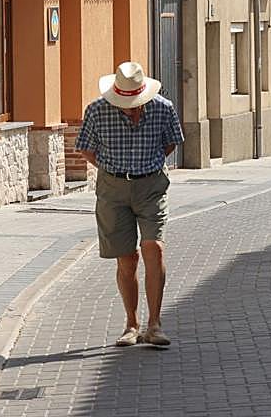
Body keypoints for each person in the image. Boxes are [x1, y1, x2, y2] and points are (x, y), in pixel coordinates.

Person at [76, 62, 183, 347]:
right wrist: (112, 169)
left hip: (151, 186)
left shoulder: (163, 108)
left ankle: (155, 324)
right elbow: (86, 148)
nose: (130, 108)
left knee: (154, 248)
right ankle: (132, 324)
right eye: (124, 103)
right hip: (113, 189)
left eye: (134, 103)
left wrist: (146, 164)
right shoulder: (97, 110)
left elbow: (171, 142)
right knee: (126, 258)